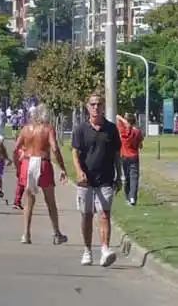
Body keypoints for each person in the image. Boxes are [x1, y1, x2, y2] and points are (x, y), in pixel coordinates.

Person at [71, 92, 121, 267]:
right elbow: (75, 153)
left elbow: (116, 155)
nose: (96, 107)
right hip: (86, 181)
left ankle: (105, 249)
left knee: (104, 214)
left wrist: (119, 175)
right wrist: (79, 172)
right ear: (87, 107)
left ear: (103, 107)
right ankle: (87, 250)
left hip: (105, 178)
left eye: (99, 104)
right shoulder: (80, 129)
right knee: (87, 216)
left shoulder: (111, 129)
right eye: (92, 104)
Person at [13, 104, 68, 245]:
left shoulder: (26, 129)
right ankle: (56, 233)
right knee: (50, 200)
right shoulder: (48, 129)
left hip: (27, 161)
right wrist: (62, 167)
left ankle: (26, 234)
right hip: (43, 162)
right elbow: (54, 148)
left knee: (28, 200)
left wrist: (18, 167)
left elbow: (15, 148)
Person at [116, 113, 143, 206]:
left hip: (124, 156)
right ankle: (132, 198)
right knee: (134, 178)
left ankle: (128, 197)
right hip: (134, 157)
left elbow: (117, 118)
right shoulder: (137, 132)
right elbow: (140, 145)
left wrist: (123, 119)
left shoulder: (123, 131)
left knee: (127, 178)